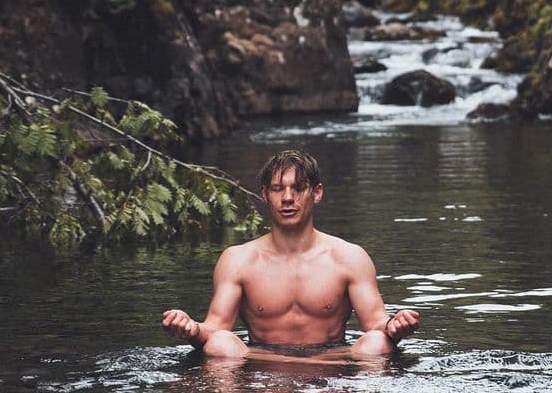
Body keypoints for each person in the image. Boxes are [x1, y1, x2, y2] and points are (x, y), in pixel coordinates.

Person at [161, 149, 418, 362]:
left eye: (298, 188)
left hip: (331, 362)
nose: (287, 198)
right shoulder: (238, 260)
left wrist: (394, 327)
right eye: (277, 189)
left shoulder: (349, 257)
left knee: (377, 342)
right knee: (219, 343)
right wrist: (192, 329)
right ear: (265, 195)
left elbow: (376, 323)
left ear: (316, 193)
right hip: (261, 362)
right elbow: (215, 327)